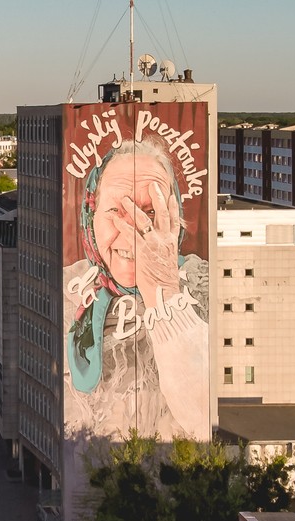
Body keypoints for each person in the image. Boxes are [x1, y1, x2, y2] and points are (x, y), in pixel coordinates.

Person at [63, 139, 209, 441]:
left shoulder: (203, 284)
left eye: (151, 212)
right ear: (90, 218)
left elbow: (206, 420)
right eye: (117, 210)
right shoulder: (62, 291)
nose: (133, 232)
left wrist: (164, 291)